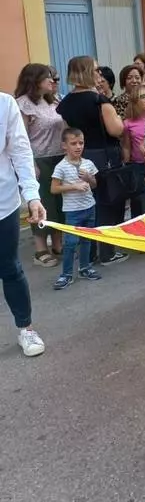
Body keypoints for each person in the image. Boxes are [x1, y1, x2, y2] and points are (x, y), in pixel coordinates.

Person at [57, 56, 128, 266]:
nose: (99, 74)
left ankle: (88, 253)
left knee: (84, 204)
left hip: (78, 156)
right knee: (107, 203)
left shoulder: (65, 103)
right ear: (87, 72)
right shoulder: (99, 100)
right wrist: (121, 121)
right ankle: (107, 252)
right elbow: (116, 129)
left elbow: (65, 132)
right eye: (96, 70)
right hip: (102, 156)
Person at [0, 93, 48, 356]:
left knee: (9, 268)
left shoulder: (5, 104)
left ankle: (26, 329)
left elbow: (20, 151)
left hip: (3, 204)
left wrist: (32, 196)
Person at [15, 63, 65, 267]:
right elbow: (21, 138)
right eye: (47, 78)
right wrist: (30, 163)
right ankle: (40, 249)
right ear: (35, 80)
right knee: (43, 203)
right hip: (39, 160)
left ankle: (58, 243)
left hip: (59, 156)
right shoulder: (22, 104)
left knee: (60, 203)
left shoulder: (54, 100)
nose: (52, 81)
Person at [51, 128, 102, 290]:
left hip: (89, 207)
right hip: (72, 211)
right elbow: (54, 189)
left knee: (87, 240)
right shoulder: (61, 167)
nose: (78, 146)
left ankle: (85, 268)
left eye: (81, 143)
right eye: (73, 143)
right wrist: (74, 186)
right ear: (64, 146)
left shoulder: (88, 163)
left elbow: (95, 184)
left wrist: (88, 178)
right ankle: (66, 274)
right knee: (71, 243)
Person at [122, 84, 145, 217]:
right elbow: (126, 146)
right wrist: (127, 166)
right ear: (135, 101)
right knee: (140, 203)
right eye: (143, 96)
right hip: (138, 166)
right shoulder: (128, 123)